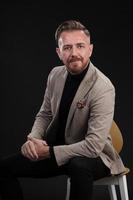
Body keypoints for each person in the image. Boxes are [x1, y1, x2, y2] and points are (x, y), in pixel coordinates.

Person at [0, 20, 125, 200]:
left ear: (90, 49)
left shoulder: (103, 87)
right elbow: (45, 113)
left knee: (78, 166)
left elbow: (93, 146)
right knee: (4, 168)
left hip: (95, 155)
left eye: (80, 46)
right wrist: (33, 139)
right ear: (59, 52)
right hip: (58, 151)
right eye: (67, 48)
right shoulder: (55, 74)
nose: (74, 53)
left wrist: (50, 152)